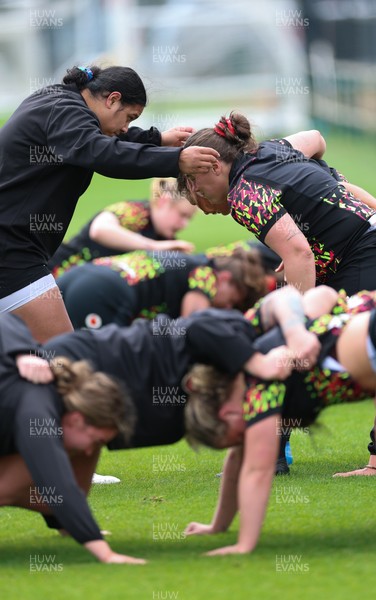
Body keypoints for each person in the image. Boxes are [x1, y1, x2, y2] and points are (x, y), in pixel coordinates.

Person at [0, 64, 219, 343]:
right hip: (13, 253)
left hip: (16, 248)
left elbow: (103, 135)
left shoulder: (62, 102)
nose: (127, 126)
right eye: (129, 117)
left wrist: (158, 139)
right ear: (112, 99)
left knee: (27, 360)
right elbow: (102, 152)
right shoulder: (65, 112)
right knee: (65, 358)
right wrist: (174, 162)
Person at [182, 290, 376, 556]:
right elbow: (237, 462)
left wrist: (244, 545)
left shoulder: (258, 391)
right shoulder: (252, 358)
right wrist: (218, 525)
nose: (241, 442)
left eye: (230, 437)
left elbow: (257, 472)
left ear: (225, 412)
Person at [177, 112, 376, 296]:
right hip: (364, 238)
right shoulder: (271, 149)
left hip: (360, 251)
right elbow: (316, 138)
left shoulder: (242, 195)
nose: (195, 191)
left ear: (214, 166)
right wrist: (327, 182)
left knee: (332, 328)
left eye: (194, 181)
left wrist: (300, 319)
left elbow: (299, 253)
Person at [0, 324, 144, 564]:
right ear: (77, 419)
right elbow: (59, 483)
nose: (90, 451)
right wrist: (105, 553)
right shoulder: (38, 411)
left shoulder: (44, 396)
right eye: (96, 441)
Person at [55, 247, 266, 330]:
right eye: (231, 301)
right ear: (226, 279)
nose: (227, 307)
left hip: (77, 277)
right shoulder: (206, 274)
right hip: (102, 294)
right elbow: (193, 324)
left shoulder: (189, 263)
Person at [48, 178, 197, 278]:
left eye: (189, 219)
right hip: (56, 274)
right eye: (182, 215)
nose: (185, 224)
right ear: (164, 201)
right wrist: (154, 247)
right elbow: (99, 229)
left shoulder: (165, 239)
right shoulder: (137, 212)